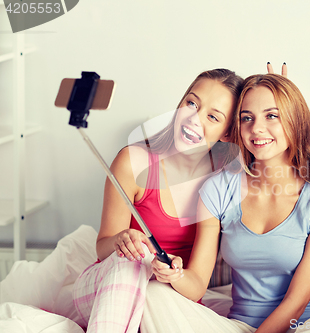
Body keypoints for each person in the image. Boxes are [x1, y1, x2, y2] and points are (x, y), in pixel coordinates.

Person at [141, 74, 310, 333]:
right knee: (154, 294)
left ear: (294, 121)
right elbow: (197, 281)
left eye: (272, 116)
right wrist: (176, 275)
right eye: (247, 118)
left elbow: (296, 303)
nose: (256, 128)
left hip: (306, 325)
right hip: (241, 326)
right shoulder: (218, 189)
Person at [72, 68, 244, 333]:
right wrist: (120, 241)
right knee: (137, 258)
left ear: (227, 133)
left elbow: (197, 284)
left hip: (168, 296)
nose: (194, 119)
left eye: (212, 116)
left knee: (154, 286)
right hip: (104, 287)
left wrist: (176, 275)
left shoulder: (219, 182)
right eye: (191, 103)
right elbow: (102, 248)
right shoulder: (134, 162)